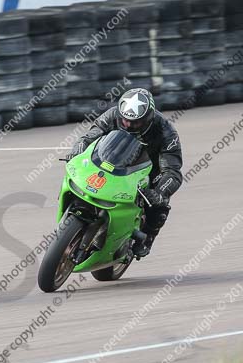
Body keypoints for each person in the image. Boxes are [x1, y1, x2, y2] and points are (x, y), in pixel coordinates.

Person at [66, 88, 183, 257]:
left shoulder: (166, 132)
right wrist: (77, 151)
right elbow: (89, 137)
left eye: (134, 122)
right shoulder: (113, 114)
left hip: (147, 171)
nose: (127, 124)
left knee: (160, 203)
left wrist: (159, 192)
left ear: (148, 118)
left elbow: (173, 171)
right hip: (110, 160)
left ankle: (147, 238)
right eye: (125, 120)